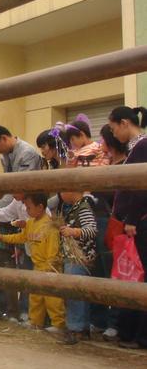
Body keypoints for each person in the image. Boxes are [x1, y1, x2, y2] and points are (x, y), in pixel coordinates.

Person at [0, 193, 65, 333]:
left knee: (52, 298)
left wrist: (50, 267)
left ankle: (58, 324)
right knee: (35, 296)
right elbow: (21, 237)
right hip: (37, 266)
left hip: (50, 267)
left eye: (29, 207)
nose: (26, 210)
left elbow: (53, 249)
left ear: (40, 207)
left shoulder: (50, 225)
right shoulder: (30, 223)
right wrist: (3, 237)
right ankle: (35, 322)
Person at [108, 105, 147, 349]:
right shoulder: (136, 148)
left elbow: (141, 187)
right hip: (134, 221)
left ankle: (141, 336)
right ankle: (132, 333)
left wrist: (132, 218)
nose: (114, 135)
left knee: (140, 276)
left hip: (139, 222)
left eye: (113, 129)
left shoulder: (142, 146)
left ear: (124, 123)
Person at [90, 124, 127, 340]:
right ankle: (100, 319)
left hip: (112, 223)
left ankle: (115, 322)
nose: (100, 144)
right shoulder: (104, 162)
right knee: (98, 271)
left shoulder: (126, 162)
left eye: (104, 139)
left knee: (112, 272)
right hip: (98, 221)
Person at [55, 188, 98, 345]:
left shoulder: (83, 207)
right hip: (74, 256)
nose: (60, 194)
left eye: (61, 190)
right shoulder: (76, 207)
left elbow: (92, 230)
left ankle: (76, 328)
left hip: (79, 257)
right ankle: (80, 326)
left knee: (74, 292)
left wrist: (73, 231)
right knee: (78, 293)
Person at [0, 124, 41, 209]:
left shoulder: (27, 153)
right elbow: (8, 184)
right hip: (15, 202)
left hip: (31, 204)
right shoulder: (4, 156)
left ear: (4, 138)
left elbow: (20, 186)